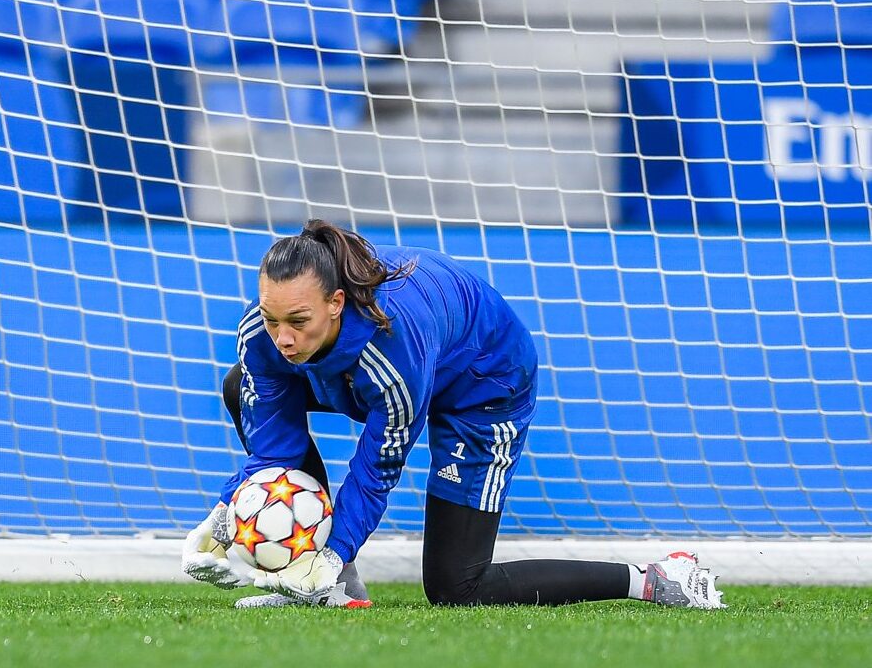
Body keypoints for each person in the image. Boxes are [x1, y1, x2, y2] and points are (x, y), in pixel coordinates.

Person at [182, 220, 725, 610]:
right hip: (393, 367)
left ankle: (655, 579)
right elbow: (275, 451)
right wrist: (230, 511)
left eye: (297, 320)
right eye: (273, 318)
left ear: (337, 302)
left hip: (483, 384)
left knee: (457, 587)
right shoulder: (265, 336)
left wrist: (332, 551)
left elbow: (375, 472)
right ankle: (336, 589)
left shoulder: (392, 354)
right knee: (240, 386)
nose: (283, 339)